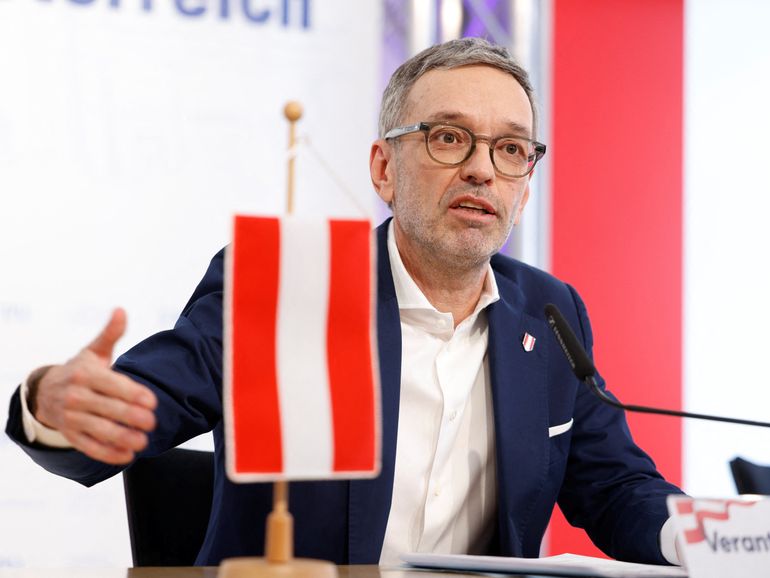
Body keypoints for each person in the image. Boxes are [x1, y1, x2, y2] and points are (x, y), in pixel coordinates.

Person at [5, 37, 683, 566]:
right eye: (448, 137)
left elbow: (619, 489)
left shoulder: (549, 312)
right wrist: (56, 410)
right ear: (384, 170)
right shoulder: (290, 284)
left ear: (524, 187)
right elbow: (128, 415)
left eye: (510, 149)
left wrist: (718, 542)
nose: (482, 168)